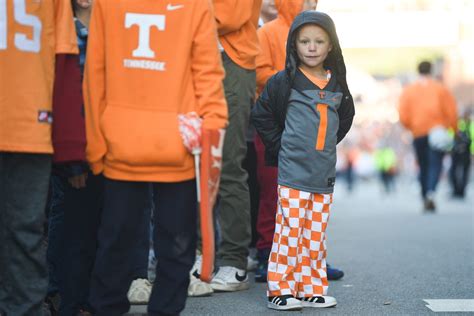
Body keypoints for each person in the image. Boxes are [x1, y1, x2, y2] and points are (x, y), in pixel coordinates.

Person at [84, 1, 228, 315]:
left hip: (169, 147)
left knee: (151, 245)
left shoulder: (195, 6)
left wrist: (214, 128)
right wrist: (96, 145)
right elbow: (96, 72)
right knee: (126, 244)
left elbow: (207, 71)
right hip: (130, 146)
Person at [252, 11, 355, 310]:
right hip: (292, 171)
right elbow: (262, 114)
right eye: (305, 41)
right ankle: (280, 290)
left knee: (315, 234)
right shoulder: (285, 81)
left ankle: (312, 288)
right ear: (293, 45)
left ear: (331, 46)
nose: (312, 47)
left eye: (319, 41)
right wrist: (282, 145)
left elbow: (345, 118)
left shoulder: (336, 83)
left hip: (323, 173)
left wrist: (324, 146)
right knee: (288, 231)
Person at [0, 1, 78, 315]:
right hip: (29, 123)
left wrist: (70, 143)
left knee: (24, 234)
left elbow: (65, 58)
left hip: (29, 125)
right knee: (24, 234)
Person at [188, 0, 262, 297]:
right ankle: (194, 252)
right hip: (187, 59)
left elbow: (229, 15)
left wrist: (179, 18)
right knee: (188, 163)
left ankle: (233, 259)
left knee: (228, 162)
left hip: (230, 62)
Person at [399, 61, 458, 211]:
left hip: (418, 132)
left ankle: (425, 195)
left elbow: (403, 113)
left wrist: (410, 126)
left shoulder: (409, 90)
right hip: (437, 131)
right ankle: (431, 192)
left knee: (423, 165)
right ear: (431, 70)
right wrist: (454, 129)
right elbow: (451, 111)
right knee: (435, 164)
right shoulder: (440, 89)